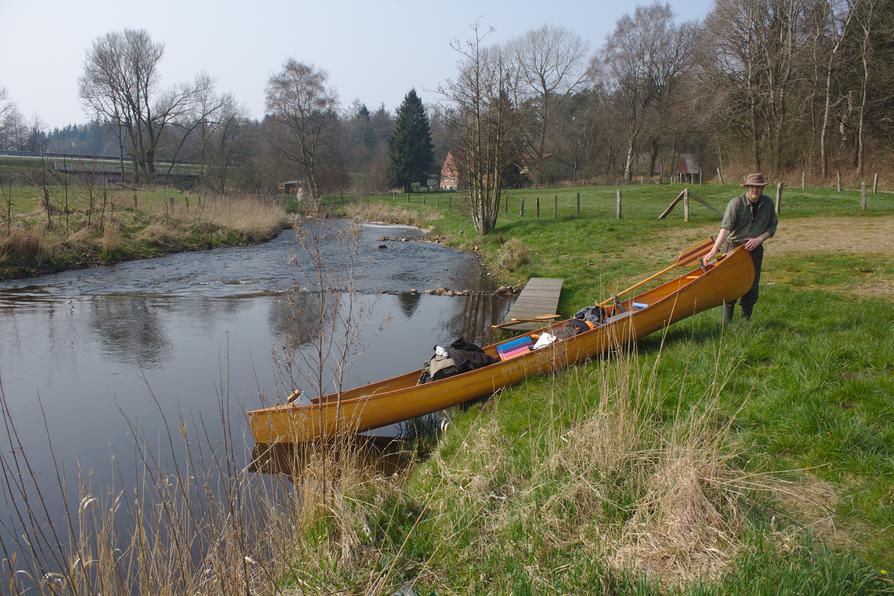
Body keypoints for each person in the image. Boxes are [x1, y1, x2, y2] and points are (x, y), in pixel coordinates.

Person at [703, 172, 778, 322]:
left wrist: (759, 239)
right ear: (747, 187)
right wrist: (713, 250)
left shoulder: (768, 204)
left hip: (754, 250)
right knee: (730, 285)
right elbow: (726, 228)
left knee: (752, 286)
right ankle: (726, 324)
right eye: (751, 187)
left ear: (762, 188)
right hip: (733, 249)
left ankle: (745, 324)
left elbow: (772, 227)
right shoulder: (736, 203)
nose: (754, 190)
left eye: (758, 187)